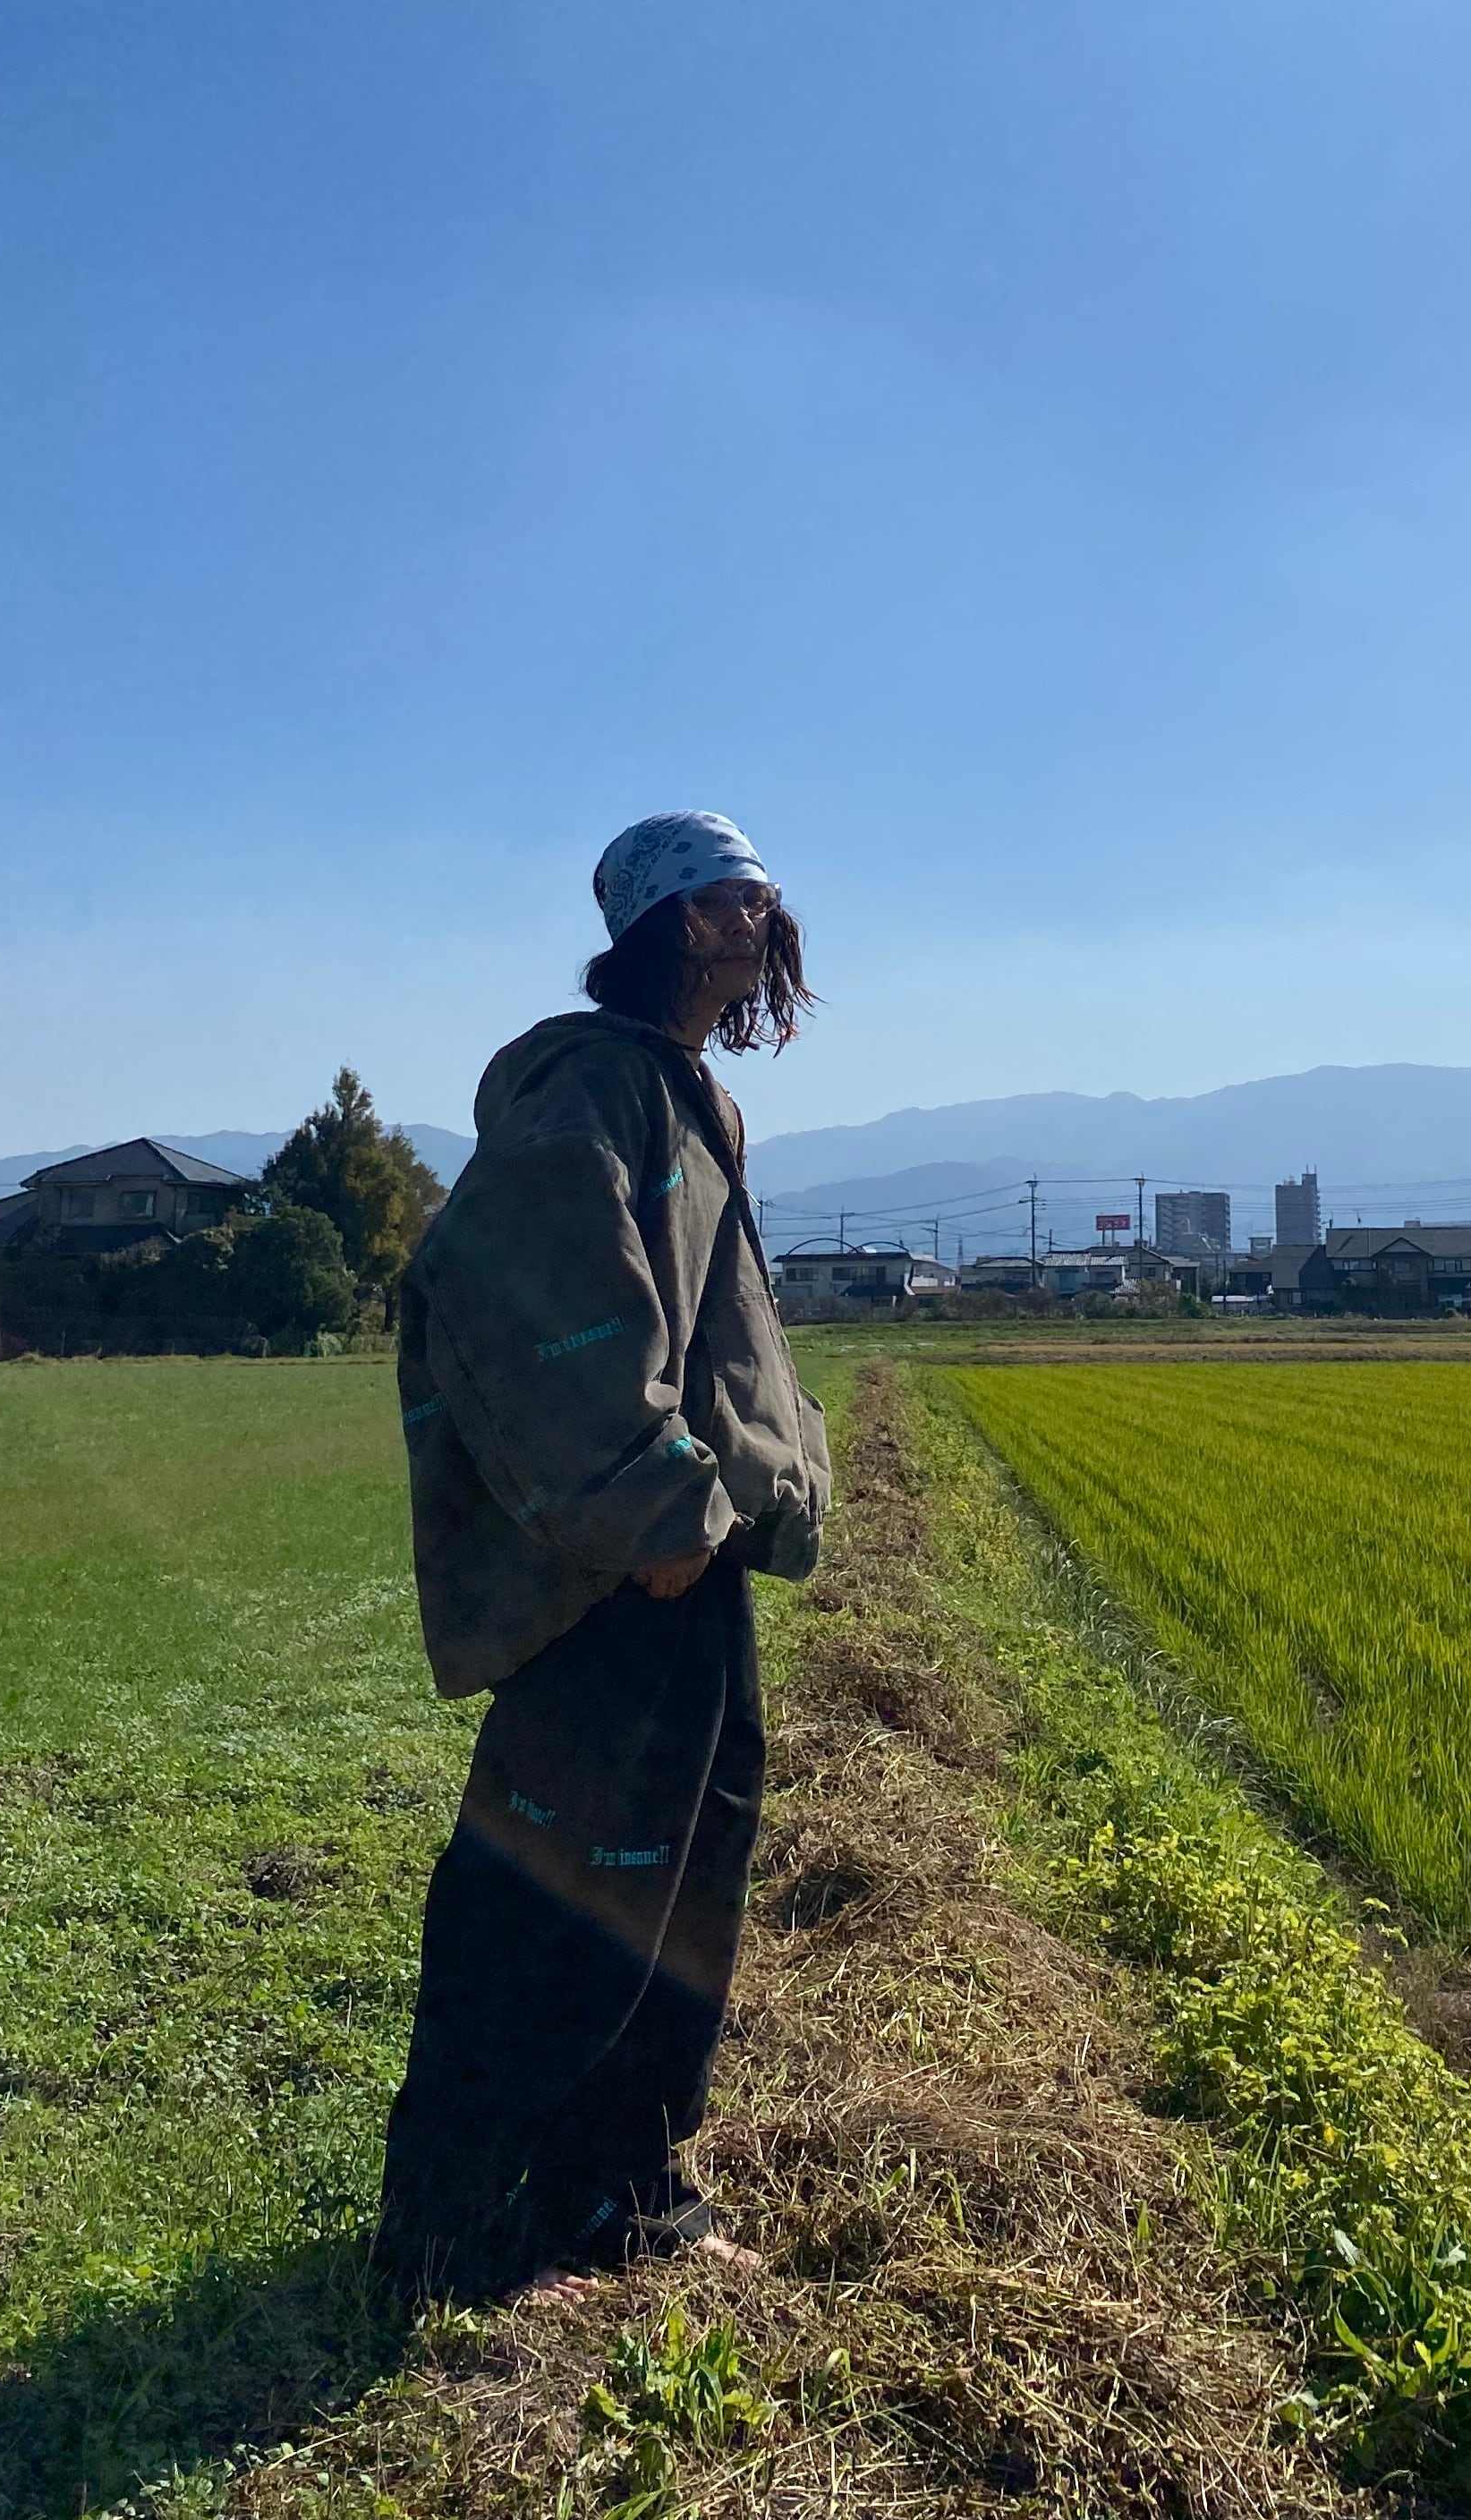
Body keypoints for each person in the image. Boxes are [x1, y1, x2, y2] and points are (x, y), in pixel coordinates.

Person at [372, 812, 831, 2303]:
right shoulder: (587, 1091)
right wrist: (648, 1509)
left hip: (691, 1551)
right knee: (556, 1898)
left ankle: (621, 2193)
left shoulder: (688, 1095)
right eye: (740, 899)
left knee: (682, 1882)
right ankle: (455, 2231)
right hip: (624, 1561)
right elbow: (534, 1299)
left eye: (764, 898)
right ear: (676, 923)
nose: (767, 923)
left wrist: (726, 1503)